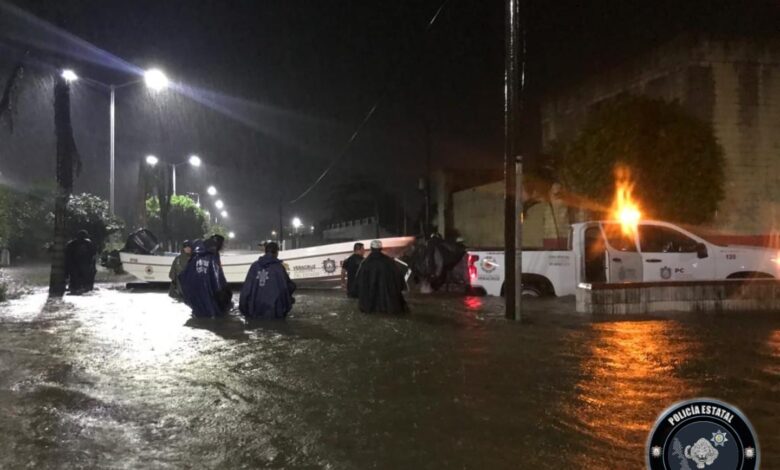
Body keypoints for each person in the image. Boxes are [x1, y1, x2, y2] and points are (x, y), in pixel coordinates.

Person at [239, 242, 296, 319]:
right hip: (274, 311)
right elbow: (287, 287)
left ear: (265, 251)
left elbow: (246, 290)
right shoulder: (278, 268)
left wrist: (244, 308)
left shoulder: (254, 266)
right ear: (276, 252)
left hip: (255, 310)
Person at [178, 239, 229, 318]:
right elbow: (217, 276)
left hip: (197, 289)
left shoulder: (194, 259)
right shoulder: (211, 257)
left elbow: (185, 275)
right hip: (210, 289)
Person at [357, 239, 408, 314]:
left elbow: (360, 282)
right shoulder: (389, 261)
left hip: (371, 305)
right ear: (381, 248)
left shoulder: (365, 263)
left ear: (371, 248)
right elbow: (398, 277)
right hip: (389, 305)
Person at [64, 229, 97, 294]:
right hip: (75, 264)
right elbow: (68, 257)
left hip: (83, 264)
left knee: (84, 280)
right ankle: (76, 287)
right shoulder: (72, 244)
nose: (82, 239)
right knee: (75, 279)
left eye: (83, 237)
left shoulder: (88, 244)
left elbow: (92, 255)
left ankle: (80, 287)